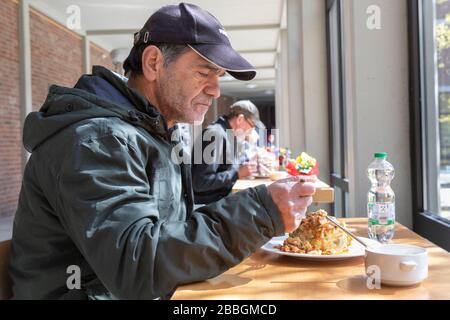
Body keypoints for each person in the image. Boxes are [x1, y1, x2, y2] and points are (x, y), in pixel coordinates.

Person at [9, 3, 315, 300]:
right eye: (204, 71)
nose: (216, 89)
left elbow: (164, 234)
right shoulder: (97, 139)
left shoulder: (156, 133)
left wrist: (253, 218)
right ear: (154, 63)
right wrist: (258, 213)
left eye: (218, 76)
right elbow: (137, 266)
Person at [191, 100, 263, 204]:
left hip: (218, 199)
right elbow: (200, 182)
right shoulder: (215, 134)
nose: (252, 130)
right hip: (206, 205)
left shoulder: (228, 134)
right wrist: (236, 174)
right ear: (240, 119)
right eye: (252, 125)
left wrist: (247, 161)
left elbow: (227, 165)